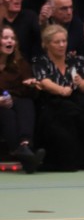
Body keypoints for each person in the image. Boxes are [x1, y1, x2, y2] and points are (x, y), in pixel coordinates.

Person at [32, 24, 84, 171]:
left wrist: (81, 82)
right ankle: (59, 162)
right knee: (64, 123)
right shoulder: (41, 61)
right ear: (47, 44)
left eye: (64, 41)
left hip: (74, 102)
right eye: (57, 42)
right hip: (52, 104)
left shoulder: (76, 60)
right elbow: (44, 81)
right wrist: (61, 90)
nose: (62, 45)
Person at [0, 27, 42, 172]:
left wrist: (31, 85)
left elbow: (28, 91)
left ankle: (25, 145)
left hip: (15, 101)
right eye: (5, 38)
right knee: (6, 113)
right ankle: (25, 155)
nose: (9, 41)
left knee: (26, 103)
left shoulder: (20, 62)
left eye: (12, 38)